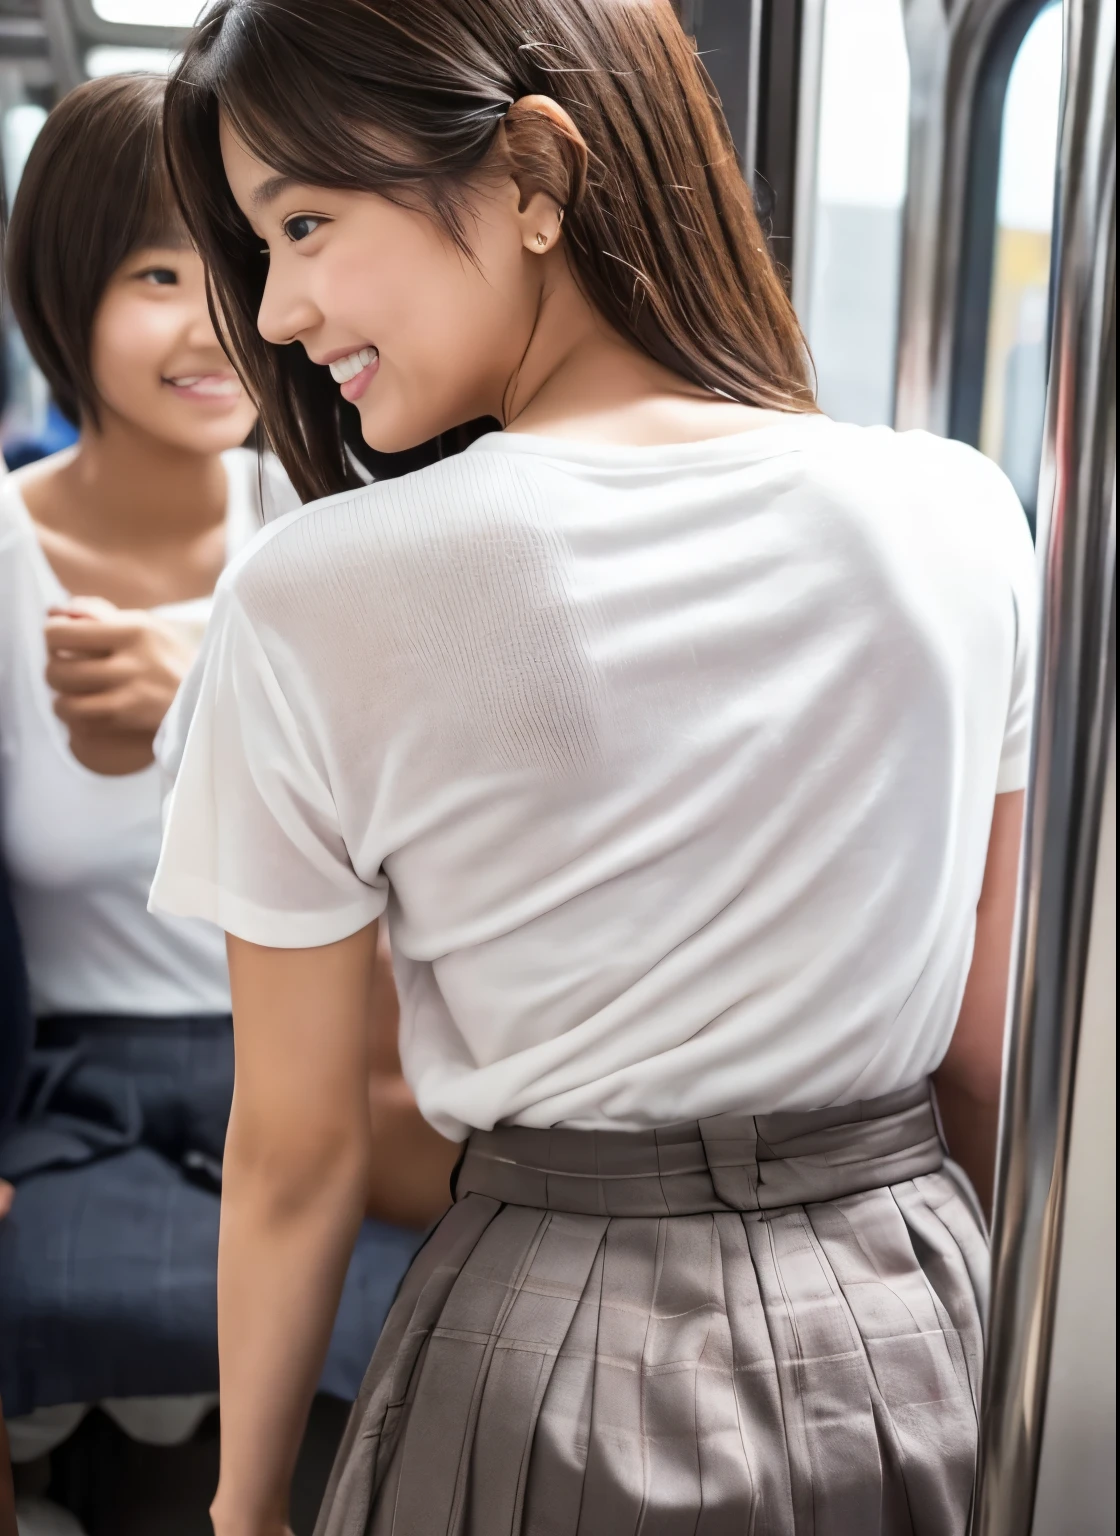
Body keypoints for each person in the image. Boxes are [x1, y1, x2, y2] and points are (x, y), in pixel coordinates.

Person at [152, 2, 1037, 1533]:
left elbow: (299, 1151)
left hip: (544, 1348)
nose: (281, 309)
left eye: (305, 222)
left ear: (533, 171)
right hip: (914, 1319)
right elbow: (980, 1055)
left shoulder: (316, 592)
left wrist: (241, 1509)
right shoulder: (962, 513)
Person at [0, 74, 446, 1527]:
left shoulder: (346, 547)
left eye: (241, 269)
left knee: (425, 1332)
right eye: (153, 273)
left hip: (334, 1086)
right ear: (64, 292)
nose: (215, 326)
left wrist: (201, 695)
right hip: (73, 1107)